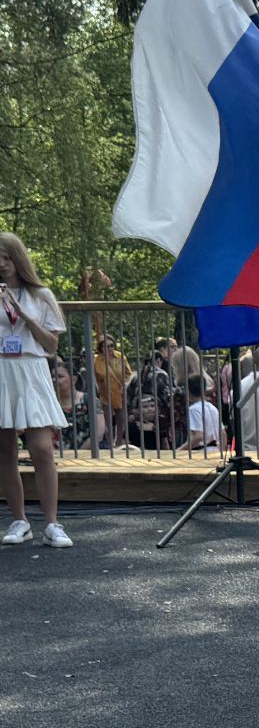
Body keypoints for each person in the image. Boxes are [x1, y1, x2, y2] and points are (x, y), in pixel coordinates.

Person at [0, 232, 72, 548]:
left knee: (42, 448)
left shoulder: (41, 295)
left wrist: (23, 312)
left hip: (31, 370)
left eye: (6, 257)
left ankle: (52, 523)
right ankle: (20, 520)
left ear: (18, 258)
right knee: (5, 450)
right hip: (2, 369)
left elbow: (52, 344)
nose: (2, 265)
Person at [52, 359, 107, 452]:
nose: (54, 380)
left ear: (74, 379)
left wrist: (77, 453)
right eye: (53, 376)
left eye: (60, 376)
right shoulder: (50, 404)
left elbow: (99, 433)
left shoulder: (90, 400)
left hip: (87, 456)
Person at [184, 375, 223, 450]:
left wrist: (180, 450)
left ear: (188, 391)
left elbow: (198, 436)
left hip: (200, 452)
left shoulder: (193, 409)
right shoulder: (212, 408)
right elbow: (223, 434)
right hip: (215, 450)